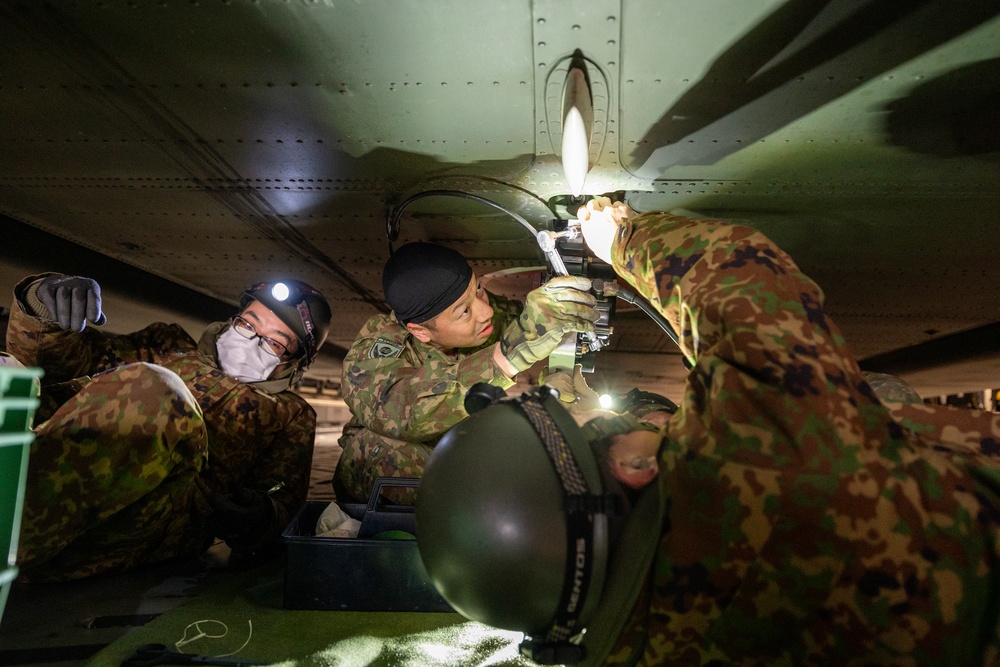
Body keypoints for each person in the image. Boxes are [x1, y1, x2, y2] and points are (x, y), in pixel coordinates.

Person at [416, 199, 1000, 665]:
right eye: (610, 433)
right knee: (879, 397)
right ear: (634, 469)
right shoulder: (752, 466)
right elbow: (745, 283)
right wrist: (619, 237)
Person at [5, 272, 331, 581]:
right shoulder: (166, 343)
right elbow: (57, 368)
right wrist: (42, 308)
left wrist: (256, 517)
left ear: (294, 361)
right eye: (247, 324)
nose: (250, 342)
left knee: (156, 387)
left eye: (274, 343)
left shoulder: (289, 414)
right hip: (53, 464)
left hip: (151, 514)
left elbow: (282, 503)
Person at [334, 241, 599, 504]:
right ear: (421, 332)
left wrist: (558, 376)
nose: (486, 312)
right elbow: (401, 412)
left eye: (479, 290)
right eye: (464, 312)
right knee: (382, 450)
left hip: (463, 453)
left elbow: (531, 325)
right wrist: (507, 356)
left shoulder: (486, 315)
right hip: (395, 469)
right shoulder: (381, 345)